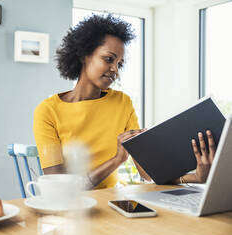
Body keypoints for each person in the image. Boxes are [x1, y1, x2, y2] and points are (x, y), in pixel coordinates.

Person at [33, 14, 215, 189]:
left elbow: (147, 173)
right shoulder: (48, 111)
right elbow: (59, 186)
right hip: (71, 210)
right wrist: (117, 160)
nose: (115, 69)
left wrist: (196, 177)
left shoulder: (122, 103)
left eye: (119, 63)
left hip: (111, 201)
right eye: (109, 59)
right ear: (83, 55)